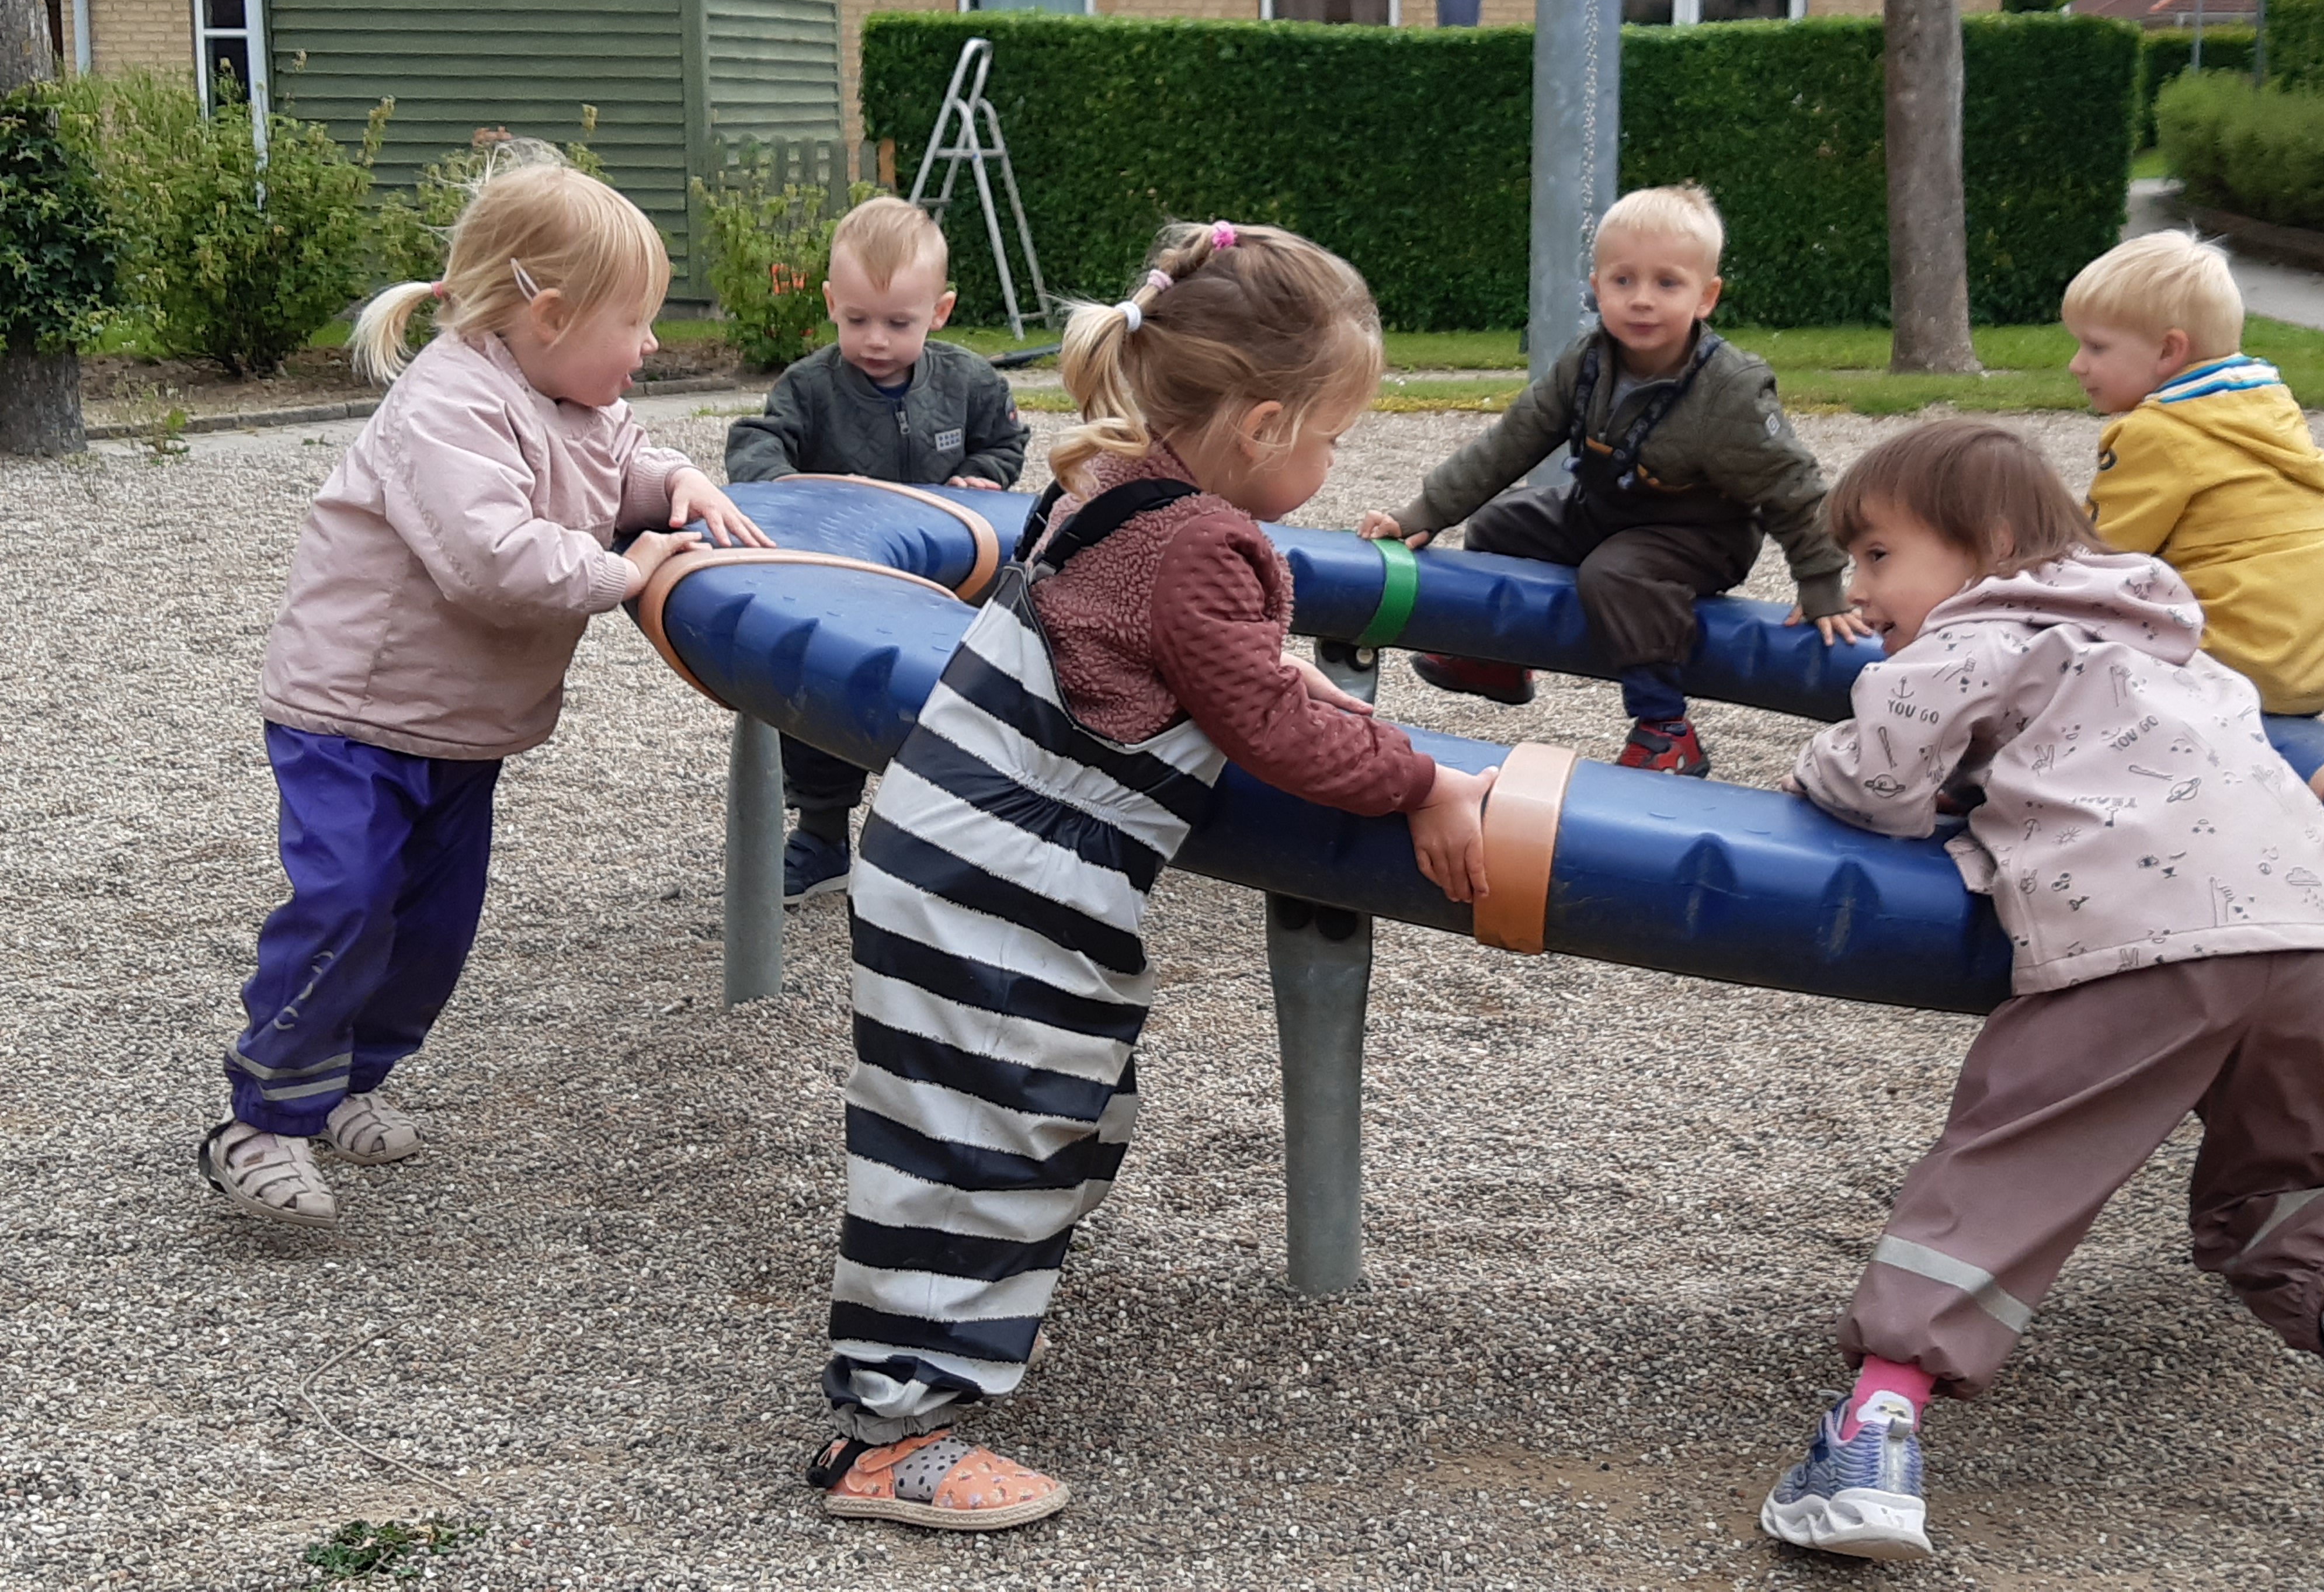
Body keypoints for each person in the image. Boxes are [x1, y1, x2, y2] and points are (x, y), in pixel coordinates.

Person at [805, 219, 1497, 1531]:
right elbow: (1277, 728)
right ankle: (889, 1433)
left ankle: (956, 1337)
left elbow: (1166, 656)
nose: (1337, 459)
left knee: (1047, 1111)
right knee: (977, 1135)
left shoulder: (1112, 479)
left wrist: (1264, 670)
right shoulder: (1206, 548)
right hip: (1003, 886)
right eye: (1334, 435)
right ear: (1263, 424)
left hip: (960, 859)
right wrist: (1431, 782)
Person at [1767, 419, 2324, 1561]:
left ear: (1990, 543)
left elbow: (1879, 774)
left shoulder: (1985, 627)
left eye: (1878, 556)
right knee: (2286, 1170)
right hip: (2314, 934)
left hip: (2144, 937)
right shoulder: (2177, 652)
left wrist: (1814, 767)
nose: (1861, 587)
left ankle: (1872, 1436)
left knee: (2012, 1164)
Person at [199, 159, 771, 1228]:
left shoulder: (565, 392)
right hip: (353, 718)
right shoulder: (448, 403)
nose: (651, 346)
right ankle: (260, 1118)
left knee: (433, 924)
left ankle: (347, 1081)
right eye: (636, 322)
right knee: (348, 902)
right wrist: (631, 566)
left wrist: (681, 479)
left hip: (457, 729)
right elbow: (493, 561)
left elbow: (621, 455)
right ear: (548, 317)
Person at [1359, 183, 1864, 777]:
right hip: (1607, 509)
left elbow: (1793, 489)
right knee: (1502, 523)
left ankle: (1666, 726)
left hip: (1700, 534)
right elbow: (1512, 441)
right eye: (1623, 281)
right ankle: (1497, 659)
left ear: (1707, 298)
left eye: (1667, 283)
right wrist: (1425, 512)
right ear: (1597, 290)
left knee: (1618, 572)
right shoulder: (1588, 361)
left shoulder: (1730, 392)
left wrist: (1822, 580)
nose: (1642, 300)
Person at [726, 196, 1030, 900]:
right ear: (831, 302)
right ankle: (823, 835)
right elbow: (756, 439)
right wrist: (782, 485)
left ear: (941, 311)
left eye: (900, 323)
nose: (876, 340)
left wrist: (982, 476)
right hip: (846, 582)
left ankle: (948, 836)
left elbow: (1006, 442)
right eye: (856, 319)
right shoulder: (810, 387)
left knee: (952, 698)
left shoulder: (968, 383)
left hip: (948, 580)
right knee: (820, 697)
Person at [2063, 230, 2324, 715]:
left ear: (2168, 352)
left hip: (2221, 663)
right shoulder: (2267, 410)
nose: (2077, 365)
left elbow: (2098, 555)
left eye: (2096, 347)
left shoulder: (2159, 432)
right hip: (2306, 668)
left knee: (2049, 646)